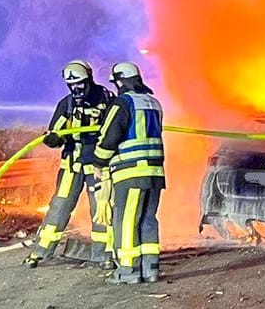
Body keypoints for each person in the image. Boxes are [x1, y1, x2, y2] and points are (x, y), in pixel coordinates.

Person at [27, 61, 117, 267]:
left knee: (101, 210)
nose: (76, 89)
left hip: (98, 167)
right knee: (59, 207)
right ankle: (41, 251)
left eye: (80, 84)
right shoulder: (67, 104)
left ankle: (103, 255)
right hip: (72, 166)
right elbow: (56, 130)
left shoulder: (107, 99)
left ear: (89, 79)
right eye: (72, 85)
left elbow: (116, 129)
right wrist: (53, 139)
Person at [102, 60, 166, 284]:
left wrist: (97, 160)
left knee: (127, 220)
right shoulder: (154, 102)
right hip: (155, 173)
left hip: (130, 172)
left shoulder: (123, 103)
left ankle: (128, 271)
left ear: (120, 81)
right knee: (148, 219)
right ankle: (150, 269)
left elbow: (110, 136)